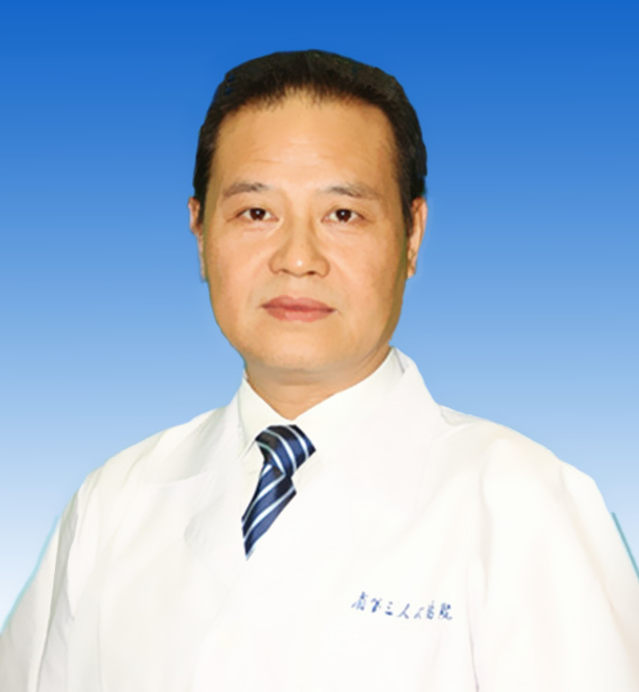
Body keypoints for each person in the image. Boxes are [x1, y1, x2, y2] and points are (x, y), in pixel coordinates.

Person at [1, 49, 637, 691]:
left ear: (412, 234)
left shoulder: (525, 504)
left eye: (343, 215)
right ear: (199, 231)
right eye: (256, 213)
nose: (298, 258)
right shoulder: (116, 501)